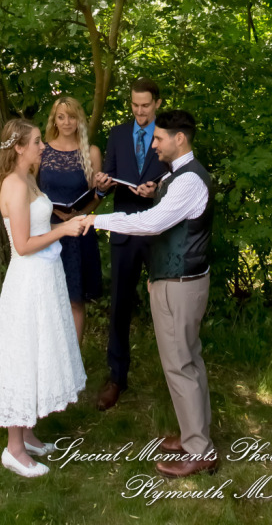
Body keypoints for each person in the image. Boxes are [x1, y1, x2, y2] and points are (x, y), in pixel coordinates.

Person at [85, 109, 217, 478]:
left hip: (180, 285)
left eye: (159, 138)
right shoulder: (179, 177)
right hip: (176, 280)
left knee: (180, 364)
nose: (153, 143)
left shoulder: (189, 181)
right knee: (189, 360)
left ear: (180, 139)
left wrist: (97, 220)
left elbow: (152, 223)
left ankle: (199, 450)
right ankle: (196, 434)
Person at [0, 118, 87, 479]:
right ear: (19, 148)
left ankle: (29, 433)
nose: (43, 147)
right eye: (37, 142)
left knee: (39, 350)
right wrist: (65, 230)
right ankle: (14, 448)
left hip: (45, 275)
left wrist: (68, 225)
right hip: (28, 279)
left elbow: (38, 229)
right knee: (23, 353)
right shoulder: (15, 184)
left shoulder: (28, 180)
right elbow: (22, 246)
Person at [92, 78, 168, 410]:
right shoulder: (118, 134)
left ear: (158, 104)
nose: (139, 111)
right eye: (135, 105)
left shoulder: (169, 136)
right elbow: (106, 179)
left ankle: (174, 377)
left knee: (166, 305)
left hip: (158, 233)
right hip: (124, 232)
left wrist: (158, 192)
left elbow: (182, 180)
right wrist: (102, 183)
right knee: (120, 306)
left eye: (146, 106)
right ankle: (116, 377)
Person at [38, 96, 103, 344]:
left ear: (79, 120)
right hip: (48, 229)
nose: (66, 122)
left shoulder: (91, 152)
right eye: (61, 116)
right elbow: (31, 191)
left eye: (72, 117)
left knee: (75, 298)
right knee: (49, 296)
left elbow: (97, 196)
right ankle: (49, 353)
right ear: (54, 119)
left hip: (78, 230)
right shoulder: (42, 150)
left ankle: (74, 359)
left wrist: (79, 212)